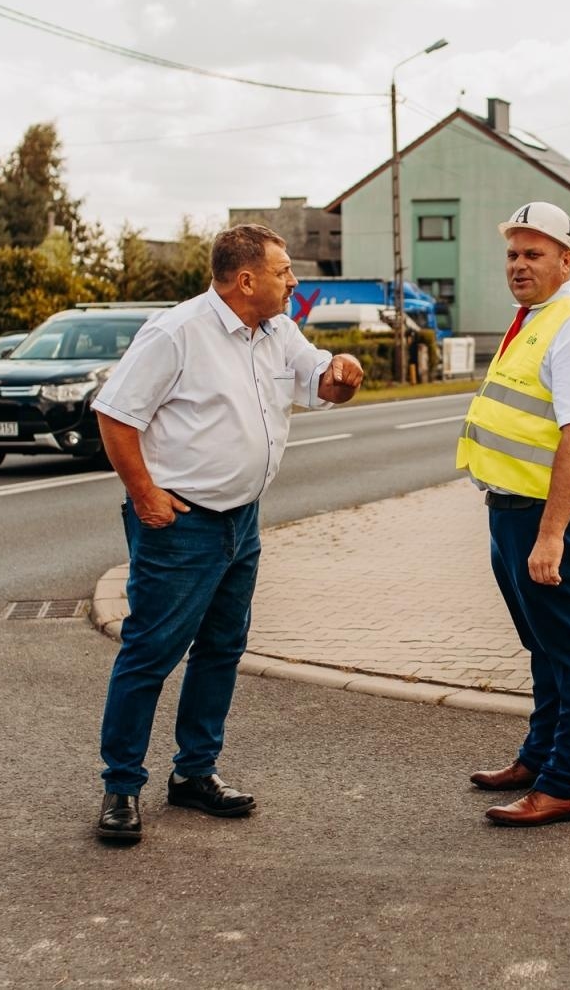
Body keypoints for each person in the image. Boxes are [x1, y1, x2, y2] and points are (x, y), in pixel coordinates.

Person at [90, 224, 364, 844]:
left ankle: (194, 774)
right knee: (150, 653)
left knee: (221, 650)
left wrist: (343, 373)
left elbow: (322, 380)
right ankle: (121, 786)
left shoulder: (277, 332)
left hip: (242, 521)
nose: (294, 280)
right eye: (284, 270)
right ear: (246, 280)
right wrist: (145, 495)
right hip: (180, 525)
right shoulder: (177, 332)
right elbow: (114, 414)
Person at [457, 201, 570, 828]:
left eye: (534, 253)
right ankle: (539, 755)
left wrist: (551, 535)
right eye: (513, 253)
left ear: (565, 259)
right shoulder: (533, 319)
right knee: (544, 645)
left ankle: (567, 783)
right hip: (509, 509)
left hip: (542, 515)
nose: (519, 264)